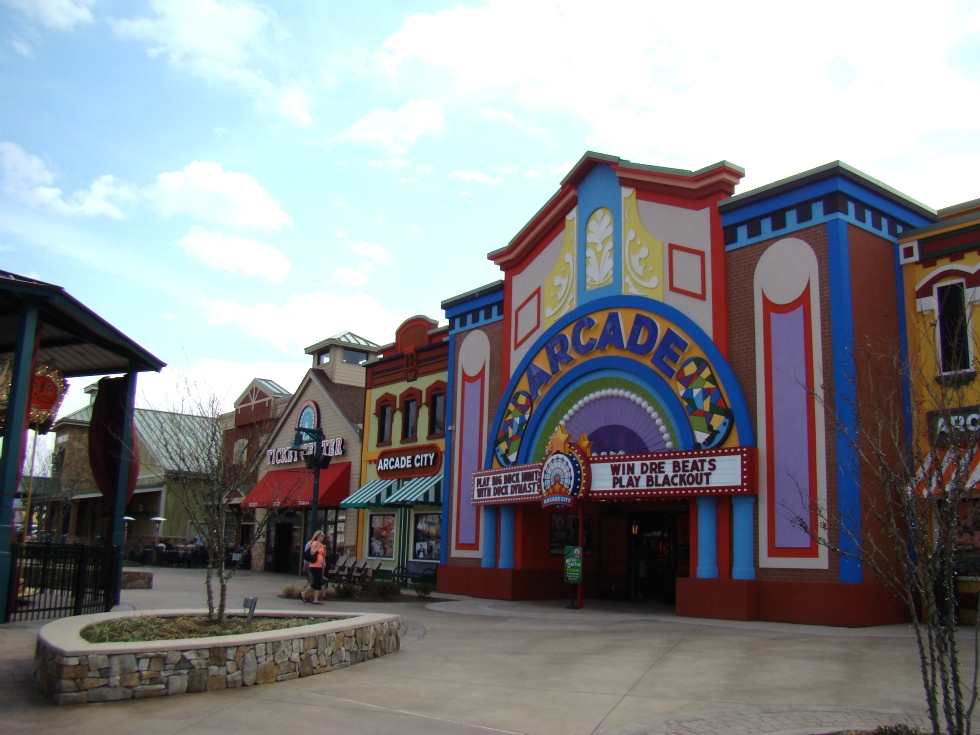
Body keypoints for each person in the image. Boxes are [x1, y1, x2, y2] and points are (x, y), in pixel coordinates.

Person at [302, 530, 326, 604]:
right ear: (318, 536)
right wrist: (318, 546)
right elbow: (312, 552)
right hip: (313, 565)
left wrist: (325, 549)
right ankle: (304, 593)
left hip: (319, 565)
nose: (323, 537)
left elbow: (323, 556)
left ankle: (315, 599)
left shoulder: (322, 545)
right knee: (316, 582)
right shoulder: (314, 543)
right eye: (322, 535)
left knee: (319, 583)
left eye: (323, 536)